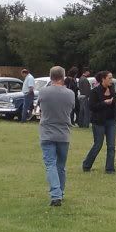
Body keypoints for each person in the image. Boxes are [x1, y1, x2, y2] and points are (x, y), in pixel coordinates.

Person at [38, 66, 76, 206]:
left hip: (47, 132)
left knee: (50, 164)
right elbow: (71, 109)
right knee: (61, 166)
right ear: (63, 76)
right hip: (63, 133)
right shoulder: (70, 93)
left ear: (50, 76)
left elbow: (41, 107)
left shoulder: (43, 92)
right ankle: (60, 192)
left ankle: (55, 194)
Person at [82, 70, 116, 173]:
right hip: (99, 122)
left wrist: (115, 103)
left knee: (111, 146)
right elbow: (92, 107)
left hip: (111, 121)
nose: (111, 80)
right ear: (103, 79)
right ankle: (86, 165)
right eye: (109, 78)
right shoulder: (95, 91)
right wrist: (104, 103)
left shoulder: (112, 89)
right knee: (98, 144)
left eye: (112, 78)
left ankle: (110, 169)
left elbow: (114, 102)